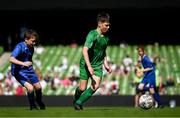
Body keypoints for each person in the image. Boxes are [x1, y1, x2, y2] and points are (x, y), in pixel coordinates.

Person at [73, 12, 112, 110]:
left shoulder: (106, 38)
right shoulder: (92, 34)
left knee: (96, 86)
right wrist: (89, 66)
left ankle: (78, 103)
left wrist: (106, 64)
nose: (108, 27)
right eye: (106, 25)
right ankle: (76, 98)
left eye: (109, 25)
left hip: (98, 65)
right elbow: (85, 50)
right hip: (86, 64)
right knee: (82, 88)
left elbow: (103, 52)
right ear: (99, 24)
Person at [9, 29, 45, 110]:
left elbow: (28, 59)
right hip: (18, 71)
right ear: (26, 39)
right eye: (33, 41)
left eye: (35, 41)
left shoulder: (31, 47)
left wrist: (31, 66)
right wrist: (24, 63)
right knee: (30, 88)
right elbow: (11, 59)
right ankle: (32, 106)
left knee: (38, 87)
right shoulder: (20, 47)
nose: (34, 43)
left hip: (28, 70)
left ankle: (38, 101)